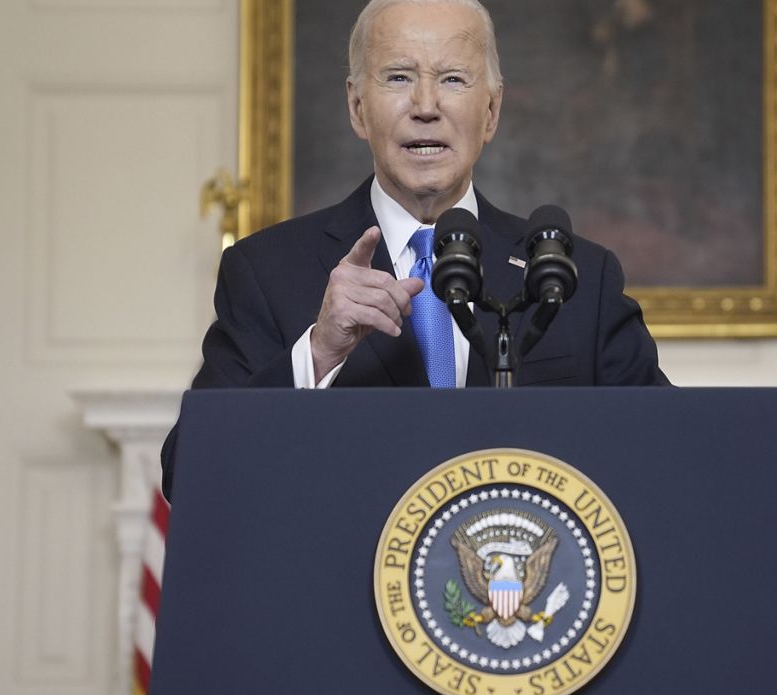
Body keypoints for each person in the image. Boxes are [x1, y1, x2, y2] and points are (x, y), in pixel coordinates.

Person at [161, 0, 668, 500]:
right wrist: (318, 353)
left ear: (490, 112)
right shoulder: (266, 270)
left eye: (452, 79)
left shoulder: (578, 276)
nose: (426, 106)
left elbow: (669, 455)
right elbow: (191, 474)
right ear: (358, 108)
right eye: (399, 77)